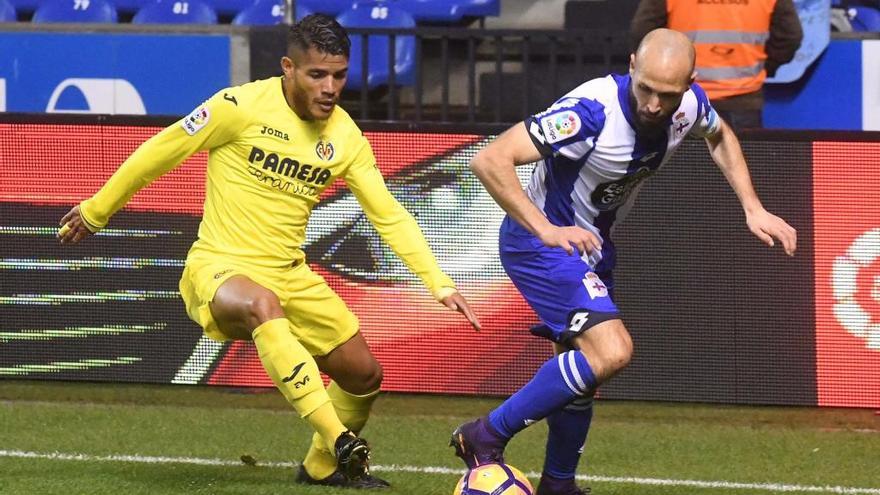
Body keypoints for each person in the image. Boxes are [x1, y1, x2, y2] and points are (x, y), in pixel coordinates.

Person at [57, 14, 480, 490]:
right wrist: (97, 210)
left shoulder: (345, 137)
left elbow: (388, 214)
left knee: (364, 375)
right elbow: (162, 150)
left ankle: (320, 467)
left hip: (290, 273)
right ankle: (340, 441)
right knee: (262, 304)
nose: (330, 87)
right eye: (317, 74)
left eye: (339, 75)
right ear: (288, 68)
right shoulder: (237, 106)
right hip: (220, 267)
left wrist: (438, 282)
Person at [450, 29, 796, 495]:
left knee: (582, 373)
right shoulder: (589, 113)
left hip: (590, 246)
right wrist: (548, 230)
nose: (654, 104)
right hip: (542, 244)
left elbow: (719, 134)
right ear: (631, 65)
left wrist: (752, 206)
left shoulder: (689, 105)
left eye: (667, 94)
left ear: (689, 83)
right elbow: (491, 160)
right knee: (612, 351)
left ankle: (559, 485)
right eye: (646, 88)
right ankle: (484, 434)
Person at [631, 0, 803, 130]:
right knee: (738, 173)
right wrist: (765, 67)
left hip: (684, 98)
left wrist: (665, 73)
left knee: (682, 173)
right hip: (743, 98)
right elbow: (790, 36)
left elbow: (643, 32)